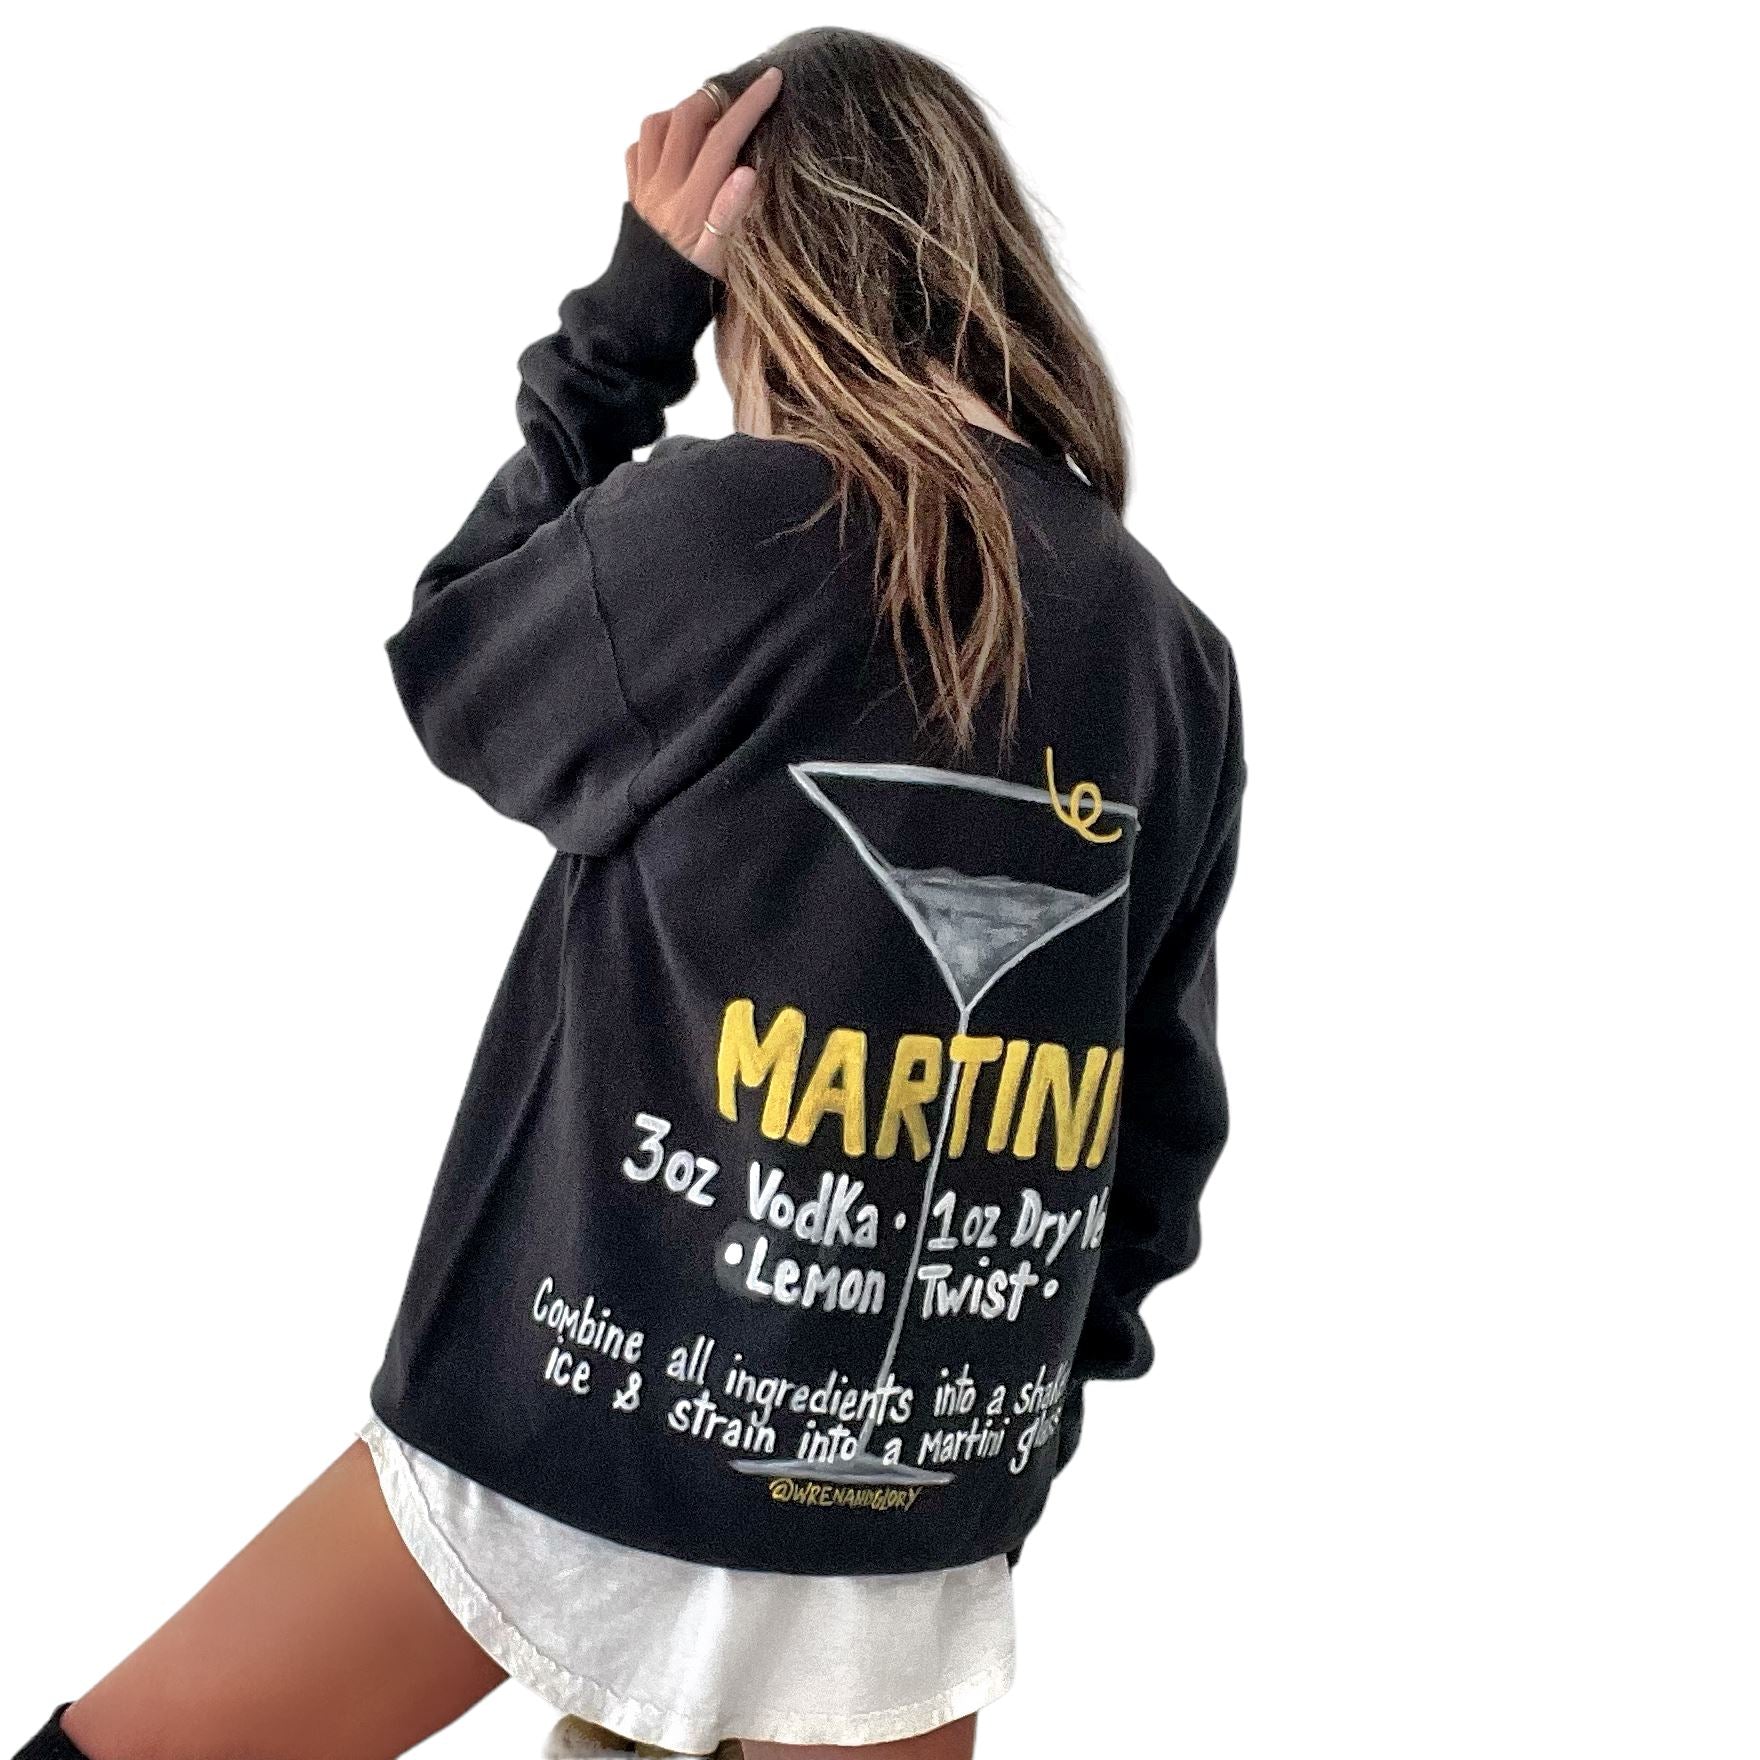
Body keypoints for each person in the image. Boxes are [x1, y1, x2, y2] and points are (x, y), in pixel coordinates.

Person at [13, 26, 1246, 1760]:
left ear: (762, 255)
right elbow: (1155, 1119)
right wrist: (998, 1434)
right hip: (908, 1501)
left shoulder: (735, 527)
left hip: (582, 1409)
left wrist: (633, 316)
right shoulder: (1170, 645)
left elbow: (464, 671)